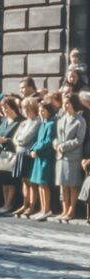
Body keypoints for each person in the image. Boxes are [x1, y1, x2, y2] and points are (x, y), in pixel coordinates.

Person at [54, 93, 87, 222]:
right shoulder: (61, 119)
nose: (65, 105)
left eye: (67, 103)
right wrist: (55, 143)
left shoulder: (80, 120)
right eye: (64, 103)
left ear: (73, 103)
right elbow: (57, 136)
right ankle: (64, 209)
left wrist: (64, 146)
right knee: (63, 185)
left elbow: (79, 140)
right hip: (60, 156)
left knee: (73, 185)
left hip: (72, 157)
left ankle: (71, 211)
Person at [11, 97, 41, 218]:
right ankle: (25, 204)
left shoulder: (37, 121)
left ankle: (32, 206)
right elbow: (15, 137)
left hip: (28, 154)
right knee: (24, 181)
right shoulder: (23, 122)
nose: (25, 111)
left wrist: (19, 141)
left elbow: (27, 137)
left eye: (28, 108)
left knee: (31, 181)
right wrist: (18, 141)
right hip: (20, 153)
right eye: (23, 108)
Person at [0, 97, 22, 215]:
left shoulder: (19, 121)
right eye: (2, 107)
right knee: (3, 180)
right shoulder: (4, 121)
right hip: (2, 154)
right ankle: (5, 203)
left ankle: (9, 204)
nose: (4, 110)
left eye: (6, 107)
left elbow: (19, 138)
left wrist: (6, 140)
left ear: (13, 107)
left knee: (11, 181)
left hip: (13, 153)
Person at [29, 102, 57, 221]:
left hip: (46, 157)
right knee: (39, 184)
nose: (41, 113)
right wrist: (32, 149)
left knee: (44, 183)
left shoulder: (51, 124)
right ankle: (42, 209)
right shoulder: (43, 123)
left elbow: (48, 141)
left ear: (49, 111)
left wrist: (37, 150)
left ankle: (47, 209)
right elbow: (38, 140)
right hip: (39, 157)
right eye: (40, 110)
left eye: (43, 110)